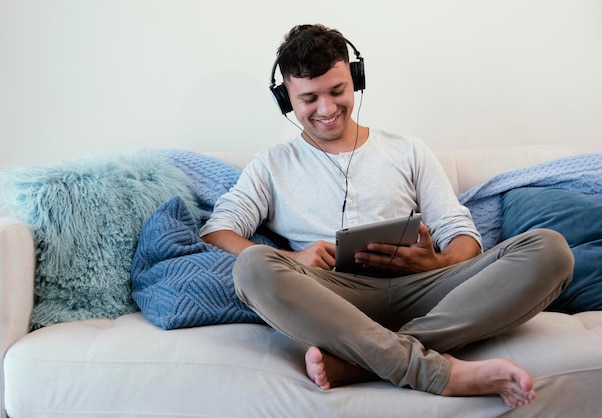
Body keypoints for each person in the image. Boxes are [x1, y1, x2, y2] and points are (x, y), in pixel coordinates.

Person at [200, 23, 574, 408]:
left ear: (356, 79)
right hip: (333, 299)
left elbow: (461, 234)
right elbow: (217, 231)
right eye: (309, 98)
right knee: (254, 266)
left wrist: (437, 261)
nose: (327, 109)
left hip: (424, 289)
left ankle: (362, 363)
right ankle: (434, 371)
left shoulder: (407, 150)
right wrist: (295, 259)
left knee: (549, 249)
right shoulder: (272, 165)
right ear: (287, 100)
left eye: (337, 91)